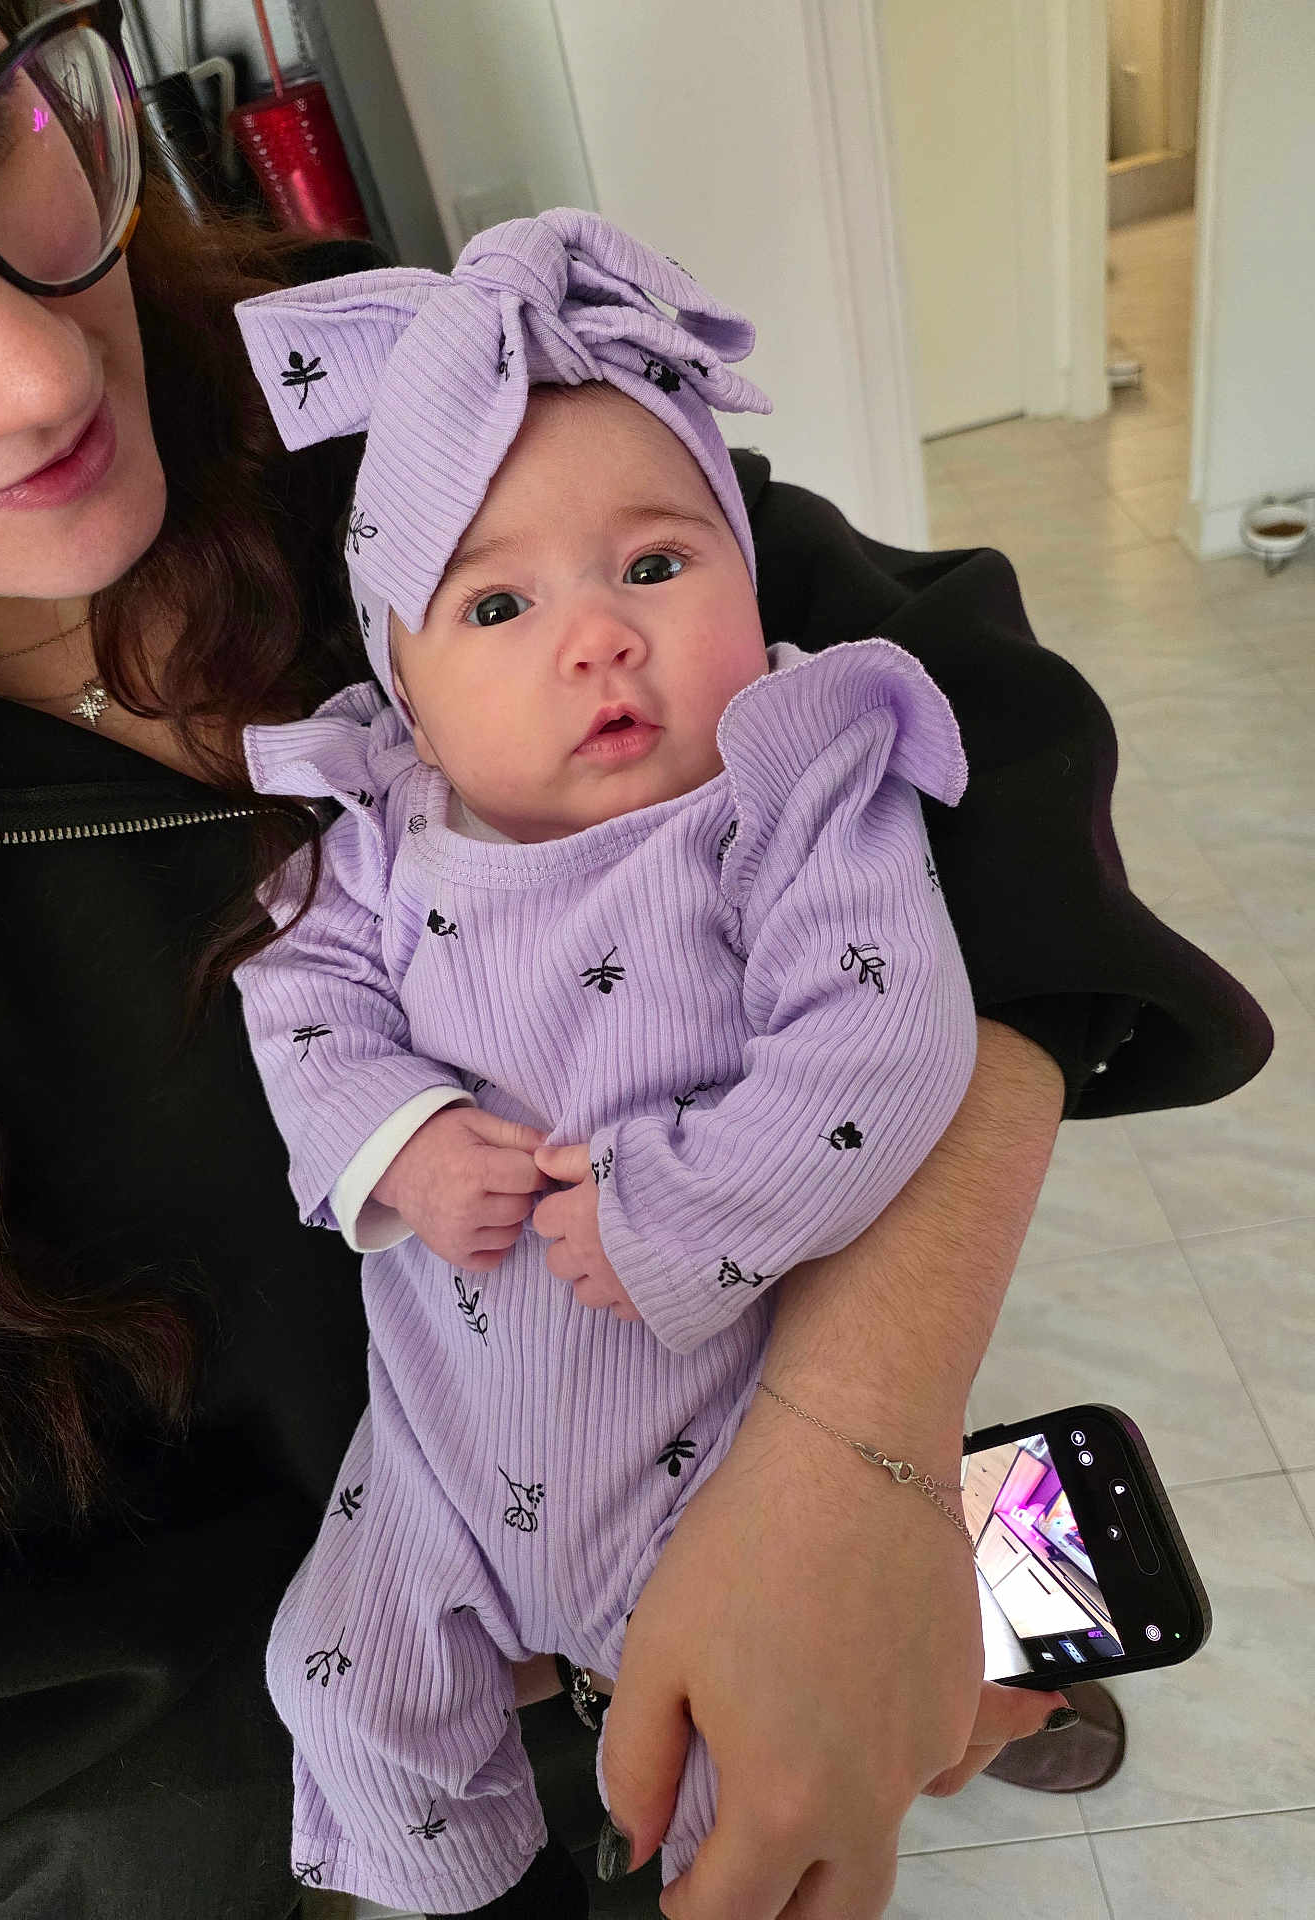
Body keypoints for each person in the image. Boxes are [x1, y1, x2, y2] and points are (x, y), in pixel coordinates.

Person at [0, 6, 1272, 1920]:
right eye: (500, 606)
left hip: (733, 1394)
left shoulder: (400, 381)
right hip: (421, 1715)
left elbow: (977, 741)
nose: (32, 376)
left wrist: (850, 1451)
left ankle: (988, 1672)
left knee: (952, 1651)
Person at [230, 208, 987, 1917]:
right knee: (337, 1686)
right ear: (406, 693)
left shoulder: (791, 783)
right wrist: (397, 1141)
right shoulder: (377, 831)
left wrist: (675, 1208)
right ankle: (457, 1895)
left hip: (714, 1446)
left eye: (657, 566)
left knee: (746, 1790)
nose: (599, 639)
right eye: (496, 603)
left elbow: (885, 1039)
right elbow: (301, 1010)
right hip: (437, 1443)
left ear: (743, 566)